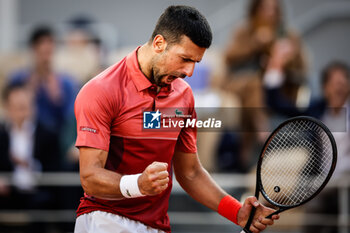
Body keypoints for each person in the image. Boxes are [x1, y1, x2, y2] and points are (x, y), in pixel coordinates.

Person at [74, 5, 279, 233]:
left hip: (157, 225)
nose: (189, 72)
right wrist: (138, 184)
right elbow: (90, 177)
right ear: (159, 43)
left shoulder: (184, 95)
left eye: (195, 63)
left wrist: (236, 211)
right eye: (184, 59)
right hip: (105, 219)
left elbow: (190, 172)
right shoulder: (100, 91)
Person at [223, 0, 307, 170]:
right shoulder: (245, 31)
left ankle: (247, 147)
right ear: (255, 10)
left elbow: (300, 67)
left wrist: (284, 58)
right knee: (253, 85)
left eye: (273, 9)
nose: (269, 13)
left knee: (255, 93)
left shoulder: (288, 35)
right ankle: (259, 126)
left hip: (277, 90)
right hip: (243, 87)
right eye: (264, 8)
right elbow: (229, 56)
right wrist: (255, 43)